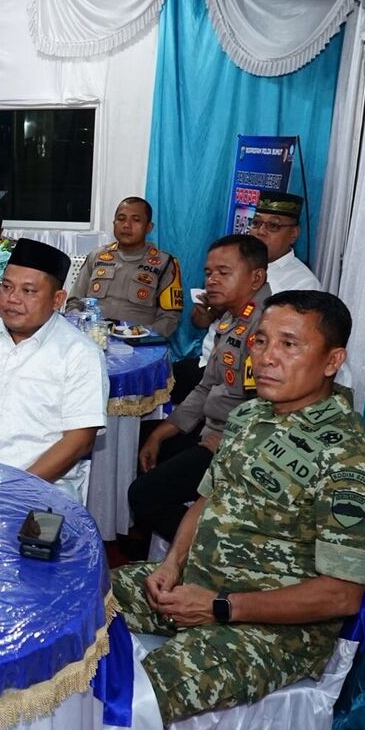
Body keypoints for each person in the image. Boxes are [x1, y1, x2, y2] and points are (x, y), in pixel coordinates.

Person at [112, 290, 365, 725]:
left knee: (130, 698)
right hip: (196, 585)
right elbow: (208, 499)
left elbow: (342, 595)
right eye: (261, 340)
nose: (266, 357)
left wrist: (219, 606)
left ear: (332, 361)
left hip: (272, 632)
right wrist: (171, 564)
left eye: (289, 344)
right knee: (80, 599)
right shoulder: (250, 416)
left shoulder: (354, 463)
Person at [0, 237, 108, 503]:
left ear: (57, 299)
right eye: (6, 287)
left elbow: (79, 440)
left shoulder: (80, 353)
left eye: (28, 291)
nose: (12, 299)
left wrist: (12, 491)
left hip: (41, 490)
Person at [128, 235, 270, 551]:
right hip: (211, 429)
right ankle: (151, 542)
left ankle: (216, 552)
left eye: (223, 272)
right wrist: (160, 434)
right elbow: (206, 386)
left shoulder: (266, 327)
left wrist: (230, 441)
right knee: (140, 440)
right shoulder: (233, 317)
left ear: (256, 277)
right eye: (208, 273)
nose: (211, 280)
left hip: (236, 445)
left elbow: (270, 405)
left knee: (144, 495)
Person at [177, 190, 351, 401]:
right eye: (256, 223)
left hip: (245, 380)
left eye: (273, 226)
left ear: (294, 234)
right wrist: (207, 314)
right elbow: (200, 322)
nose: (261, 231)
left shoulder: (302, 283)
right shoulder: (234, 264)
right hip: (208, 361)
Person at [67, 197, 183, 336]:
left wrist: (141, 335)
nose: (126, 225)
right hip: (93, 337)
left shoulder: (165, 263)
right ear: (114, 223)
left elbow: (169, 318)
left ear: (149, 227)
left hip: (138, 342)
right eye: (121, 219)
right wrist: (83, 329)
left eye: (136, 220)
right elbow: (74, 303)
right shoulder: (96, 256)